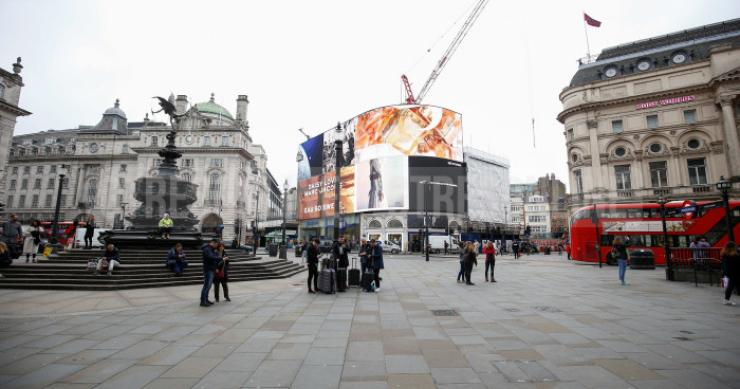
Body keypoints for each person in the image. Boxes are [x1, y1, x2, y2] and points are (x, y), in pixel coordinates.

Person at [200, 239, 221, 306]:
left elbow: (214, 256)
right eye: (216, 244)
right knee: (207, 286)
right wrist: (218, 257)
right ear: (213, 243)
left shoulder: (211, 249)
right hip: (208, 269)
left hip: (211, 269)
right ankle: (203, 301)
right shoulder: (207, 249)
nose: (216, 246)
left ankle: (205, 299)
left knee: (207, 285)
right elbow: (211, 257)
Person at [721, 241, 739, 306]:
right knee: (731, 286)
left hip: (728, 272)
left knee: (731, 286)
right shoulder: (734, 255)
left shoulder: (724, 254)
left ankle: (726, 300)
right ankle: (726, 300)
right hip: (735, 272)